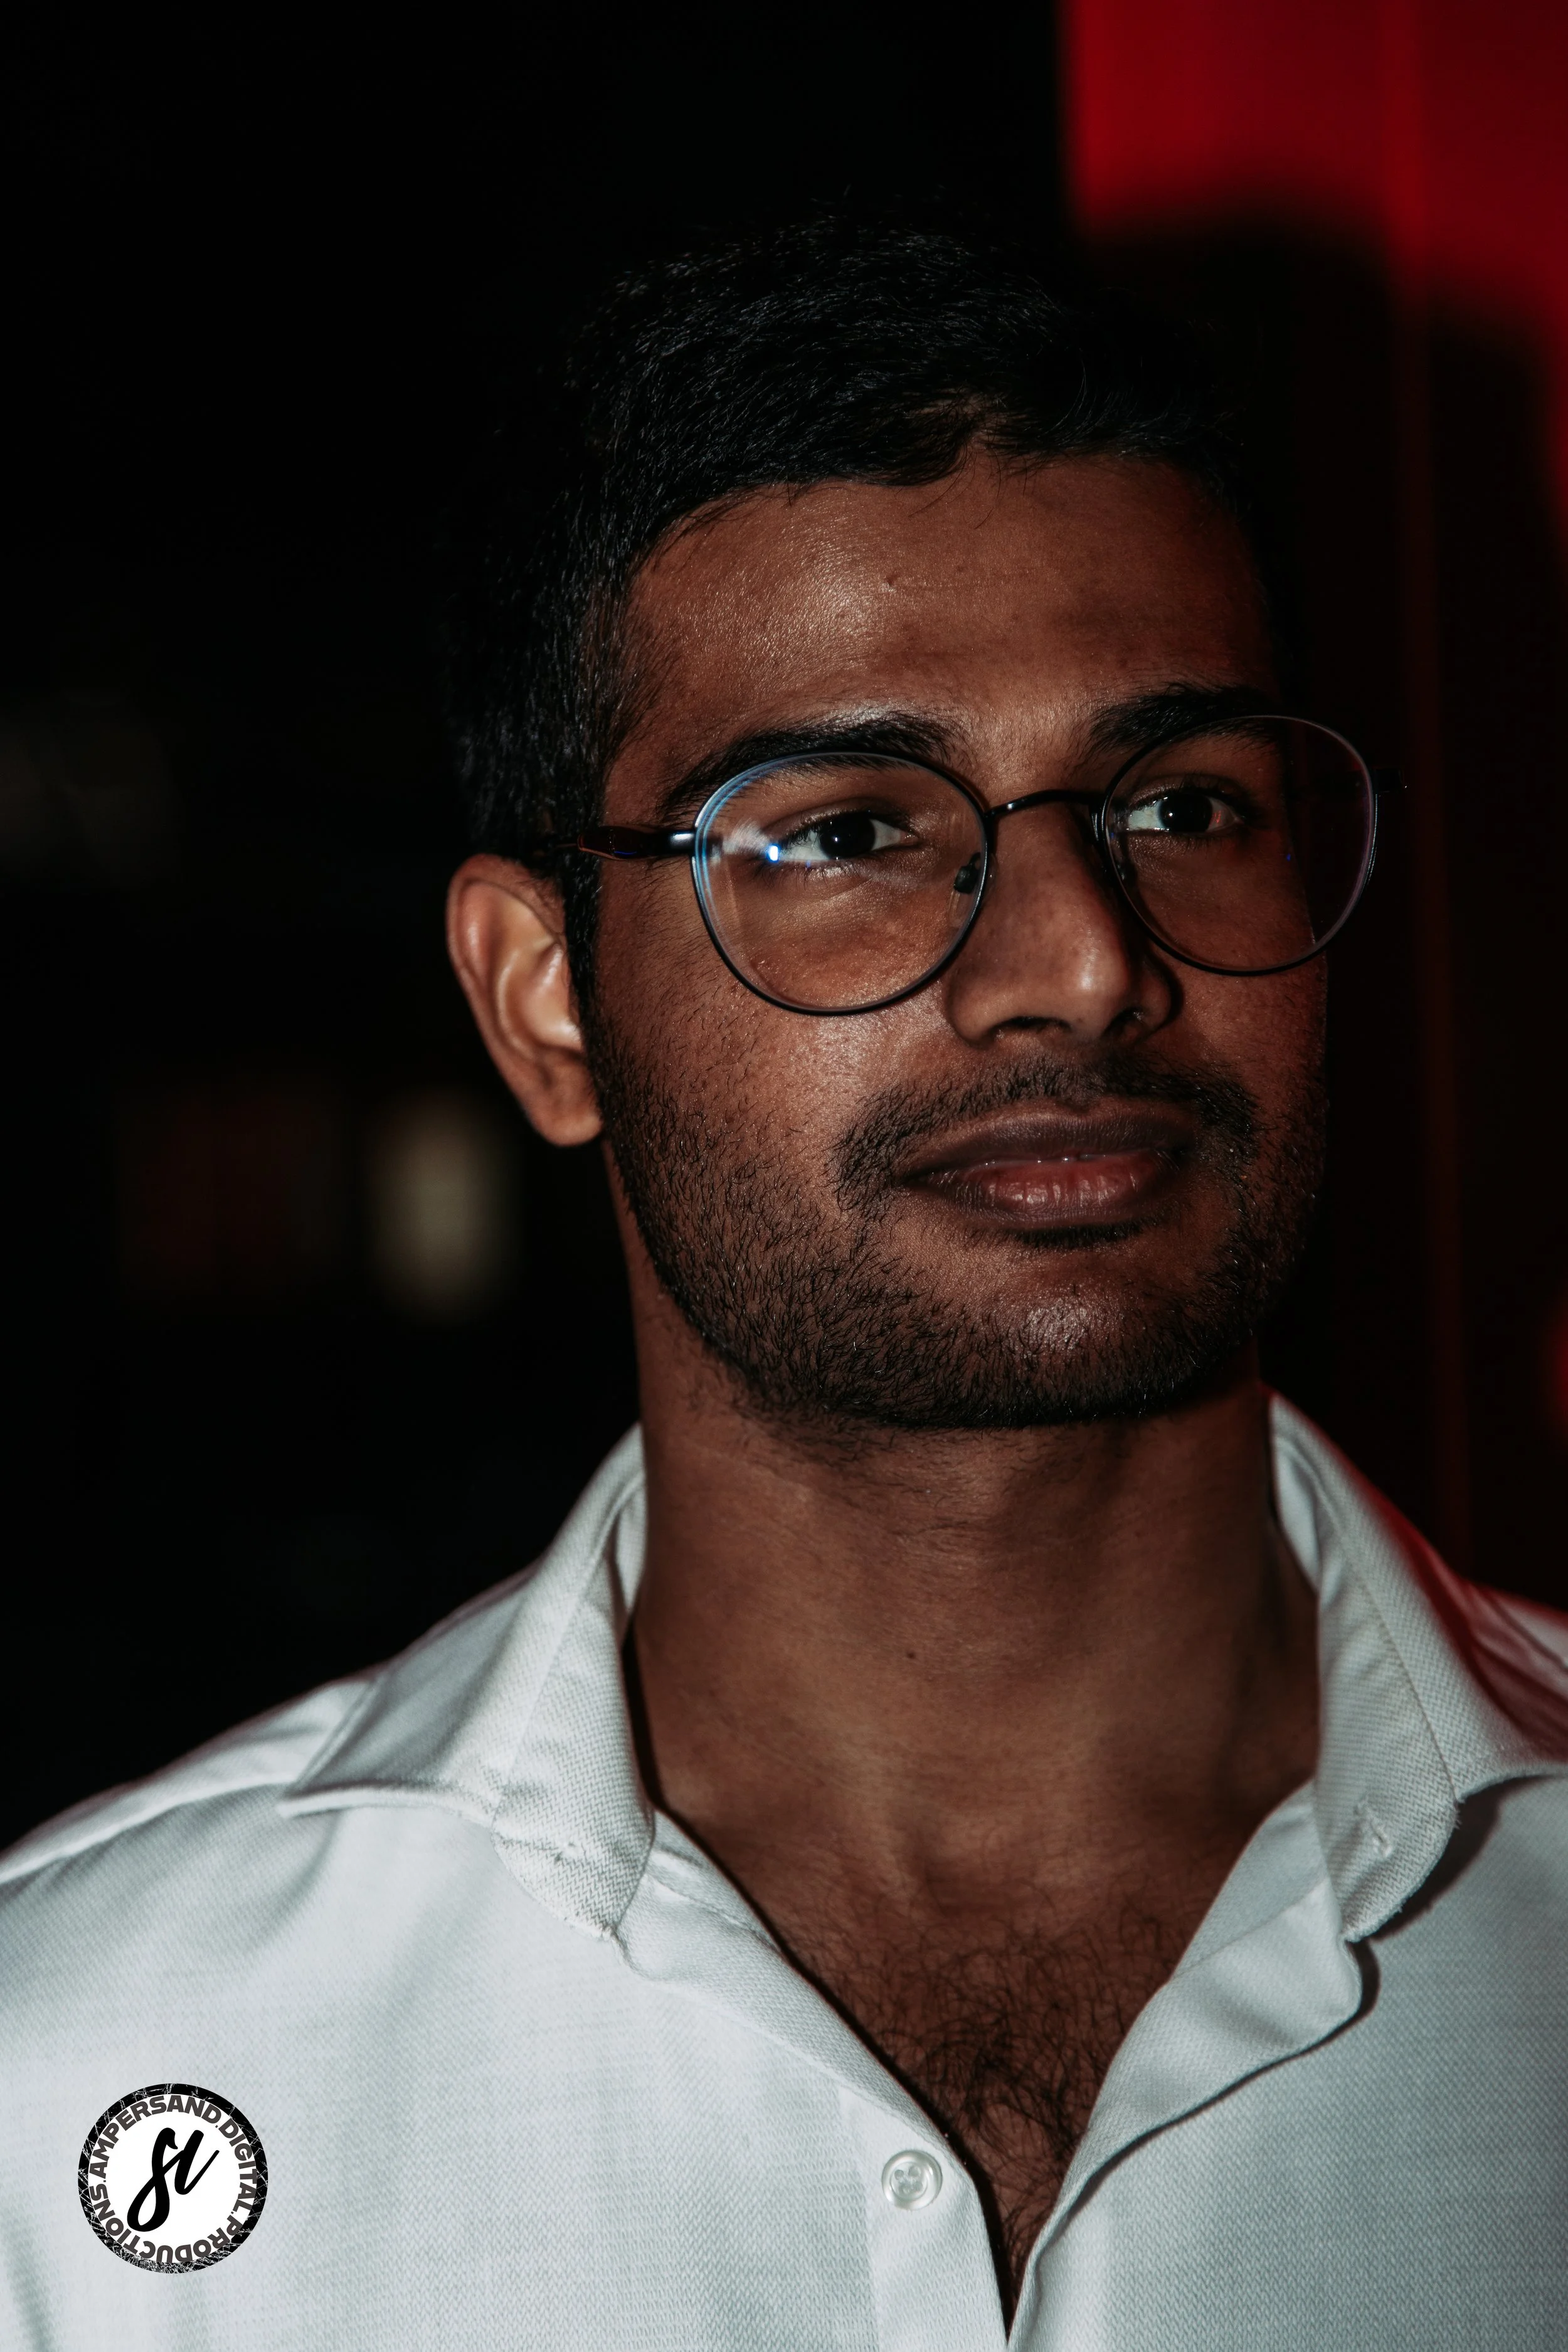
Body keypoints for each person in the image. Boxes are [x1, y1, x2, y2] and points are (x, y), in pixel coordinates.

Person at [4, 222, 1567, 2352]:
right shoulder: (82, 2071)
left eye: (1184, 802)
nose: (1077, 961)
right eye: (845, 831)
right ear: (542, 1001)